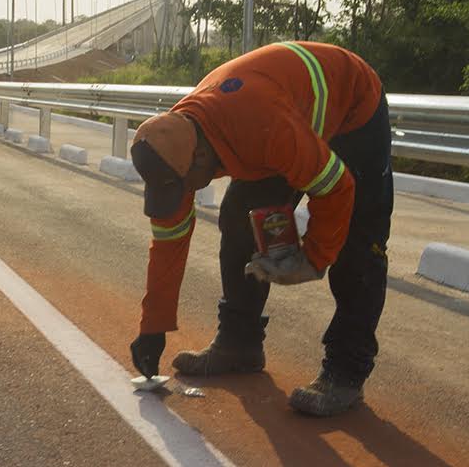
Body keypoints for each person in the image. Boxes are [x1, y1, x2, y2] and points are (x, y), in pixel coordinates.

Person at [128, 41, 393, 417]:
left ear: (200, 157)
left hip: (352, 111)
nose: (184, 195)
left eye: (186, 185)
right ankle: (240, 342)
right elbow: (169, 241)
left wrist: (313, 259)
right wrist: (152, 327)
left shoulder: (261, 126)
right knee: (239, 220)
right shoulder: (172, 142)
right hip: (282, 115)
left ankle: (346, 372)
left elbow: (336, 185)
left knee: (358, 245)